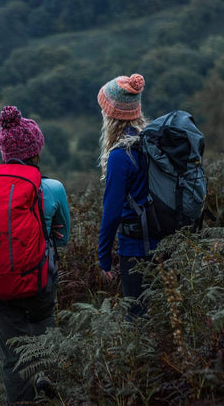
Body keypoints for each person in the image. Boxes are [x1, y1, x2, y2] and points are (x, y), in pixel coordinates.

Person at [0, 105, 70, 404]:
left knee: (11, 354)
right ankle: (51, 394)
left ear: (5, 153)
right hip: (39, 282)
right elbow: (66, 236)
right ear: (36, 150)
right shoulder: (53, 188)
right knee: (46, 342)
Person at [96, 73, 157, 318]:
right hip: (167, 241)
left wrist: (103, 257)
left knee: (138, 316)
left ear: (111, 115)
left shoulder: (121, 155)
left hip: (135, 249)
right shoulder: (153, 142)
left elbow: (111, 212)